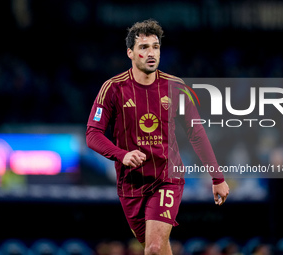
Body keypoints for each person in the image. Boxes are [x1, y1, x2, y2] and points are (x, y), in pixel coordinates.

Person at [86, 19, 229, 255]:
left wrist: (217, 177)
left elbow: (196, 132)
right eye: (144, 47)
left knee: (152, 248)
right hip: (130, 184)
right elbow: (92, 134)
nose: (151, 53)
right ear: (130, 53)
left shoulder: (176, 87)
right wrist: (121, 155)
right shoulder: (112, 88)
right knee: (159, 249)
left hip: (166, 178)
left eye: (156, 46)